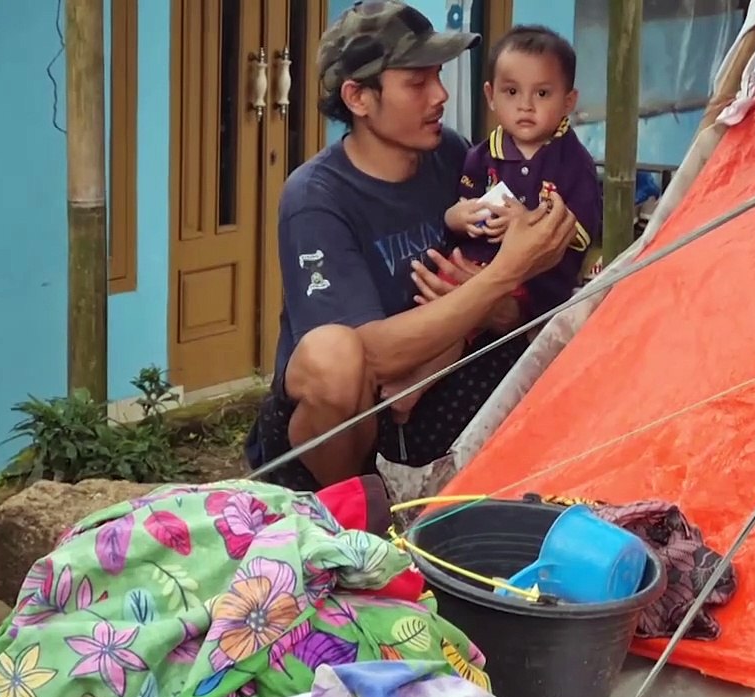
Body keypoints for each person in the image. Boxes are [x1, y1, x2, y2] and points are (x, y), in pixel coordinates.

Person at [244, 0, 579, 492]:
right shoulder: (315, 197)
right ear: (359, 97)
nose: (441, 95)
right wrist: (500, 276)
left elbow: (507, 307)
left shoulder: (451, 154)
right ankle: (351, 514)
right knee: (332, 355)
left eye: (438, 76)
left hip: (436, 396)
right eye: (417, 82)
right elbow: (368, 358)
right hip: (348, 428)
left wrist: (499, 293)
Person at [378, 25, 602, 419]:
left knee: (465, 309)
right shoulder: (482, 155)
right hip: (476, 262)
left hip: (533, 281)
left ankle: (415, 386)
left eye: (542, 94)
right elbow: (463, 204)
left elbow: (583, 232)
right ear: (491, 96)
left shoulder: (573, 162)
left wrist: (528, 221)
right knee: (438, 300)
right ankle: (403, 372)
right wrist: (457, 216)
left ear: (568, 101)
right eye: (511, 92)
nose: (526, 106)